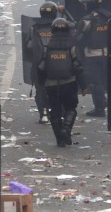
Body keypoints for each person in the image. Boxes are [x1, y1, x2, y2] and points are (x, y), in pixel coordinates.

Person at [37, 17, 86, 147]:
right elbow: (78, 67)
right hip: (69, 83)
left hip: (51, 84)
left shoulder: (48, 47)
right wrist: (84, 85)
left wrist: (41, 83)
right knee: (71, 108)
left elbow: (41, 67)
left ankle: (60, 139)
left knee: (55, 111)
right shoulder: (72, 46)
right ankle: (66, 129)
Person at [75, 0, 111, 118]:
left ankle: (100, 108)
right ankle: (103, 100)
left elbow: (79, 39)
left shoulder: (87, 20)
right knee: (101, 80)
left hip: (92, 55)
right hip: (107, 54)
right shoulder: (108, 17)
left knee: (95, 82)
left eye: (85, 3)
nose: (84, 6)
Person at [26, 1, 59, 123]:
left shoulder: (33, 28)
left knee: (40, 89)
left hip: (38, 64)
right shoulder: (60, 26)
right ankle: (56, 112)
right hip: (57, 62)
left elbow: (28, 46)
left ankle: (44, 114)